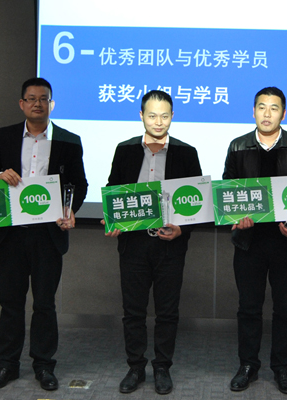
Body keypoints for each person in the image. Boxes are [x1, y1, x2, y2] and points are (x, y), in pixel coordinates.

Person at [0, 77, 88, 391]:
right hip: (10, 234)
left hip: (47, 235)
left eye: (43, 99)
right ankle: (7, 364)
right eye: (31, 98)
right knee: (10, 302)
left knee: (44, 304)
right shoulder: (5, 136)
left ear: (51, 104)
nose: (37, 104)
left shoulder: (69, 140)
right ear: (22, 103)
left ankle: (44, 365)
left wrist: (70, 208)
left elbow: (79, 183)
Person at [103, 90, 202, 395]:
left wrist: (182, 229)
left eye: (164, 116)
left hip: (170, 245)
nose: (158, 122)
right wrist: (112, 218)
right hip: (133, 244)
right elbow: (113, 189)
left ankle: (162, 367)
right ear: (141, 116)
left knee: (167, 311)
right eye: (152, 115)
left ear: (172, 117)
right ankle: (135, 367)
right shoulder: (125, 150)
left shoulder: (187, 152)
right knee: (133, 310)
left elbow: (197, 202)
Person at [223, 87, 287, 395]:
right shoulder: (238, 146)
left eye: (273, 108)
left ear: (283, 114)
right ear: (253, 111)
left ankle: (282, 367)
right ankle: (248, 365)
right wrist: (236, 216)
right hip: (249, 242)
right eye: (261, 107)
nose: (267, 113)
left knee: (285, 309)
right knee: (249, 308)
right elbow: (228, 190)